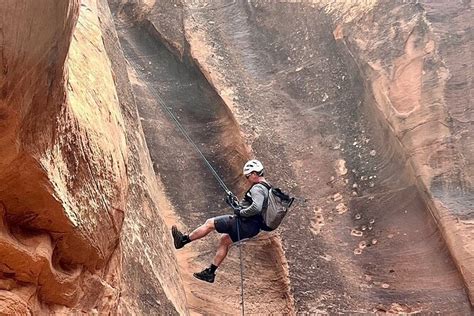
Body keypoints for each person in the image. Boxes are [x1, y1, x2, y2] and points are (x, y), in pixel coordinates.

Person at [171, 159, 269, 283]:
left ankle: (183, 240)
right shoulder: (267, 187)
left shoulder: (258, 188)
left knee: (210, 223)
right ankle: (210, 272)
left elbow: (256, 208)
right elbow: (253, 207)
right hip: (251, 227)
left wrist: (240, 212)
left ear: (255, 174)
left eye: (248, 176)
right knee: (225, 240)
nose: (247, 179)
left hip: (244, 223)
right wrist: (236, 205)